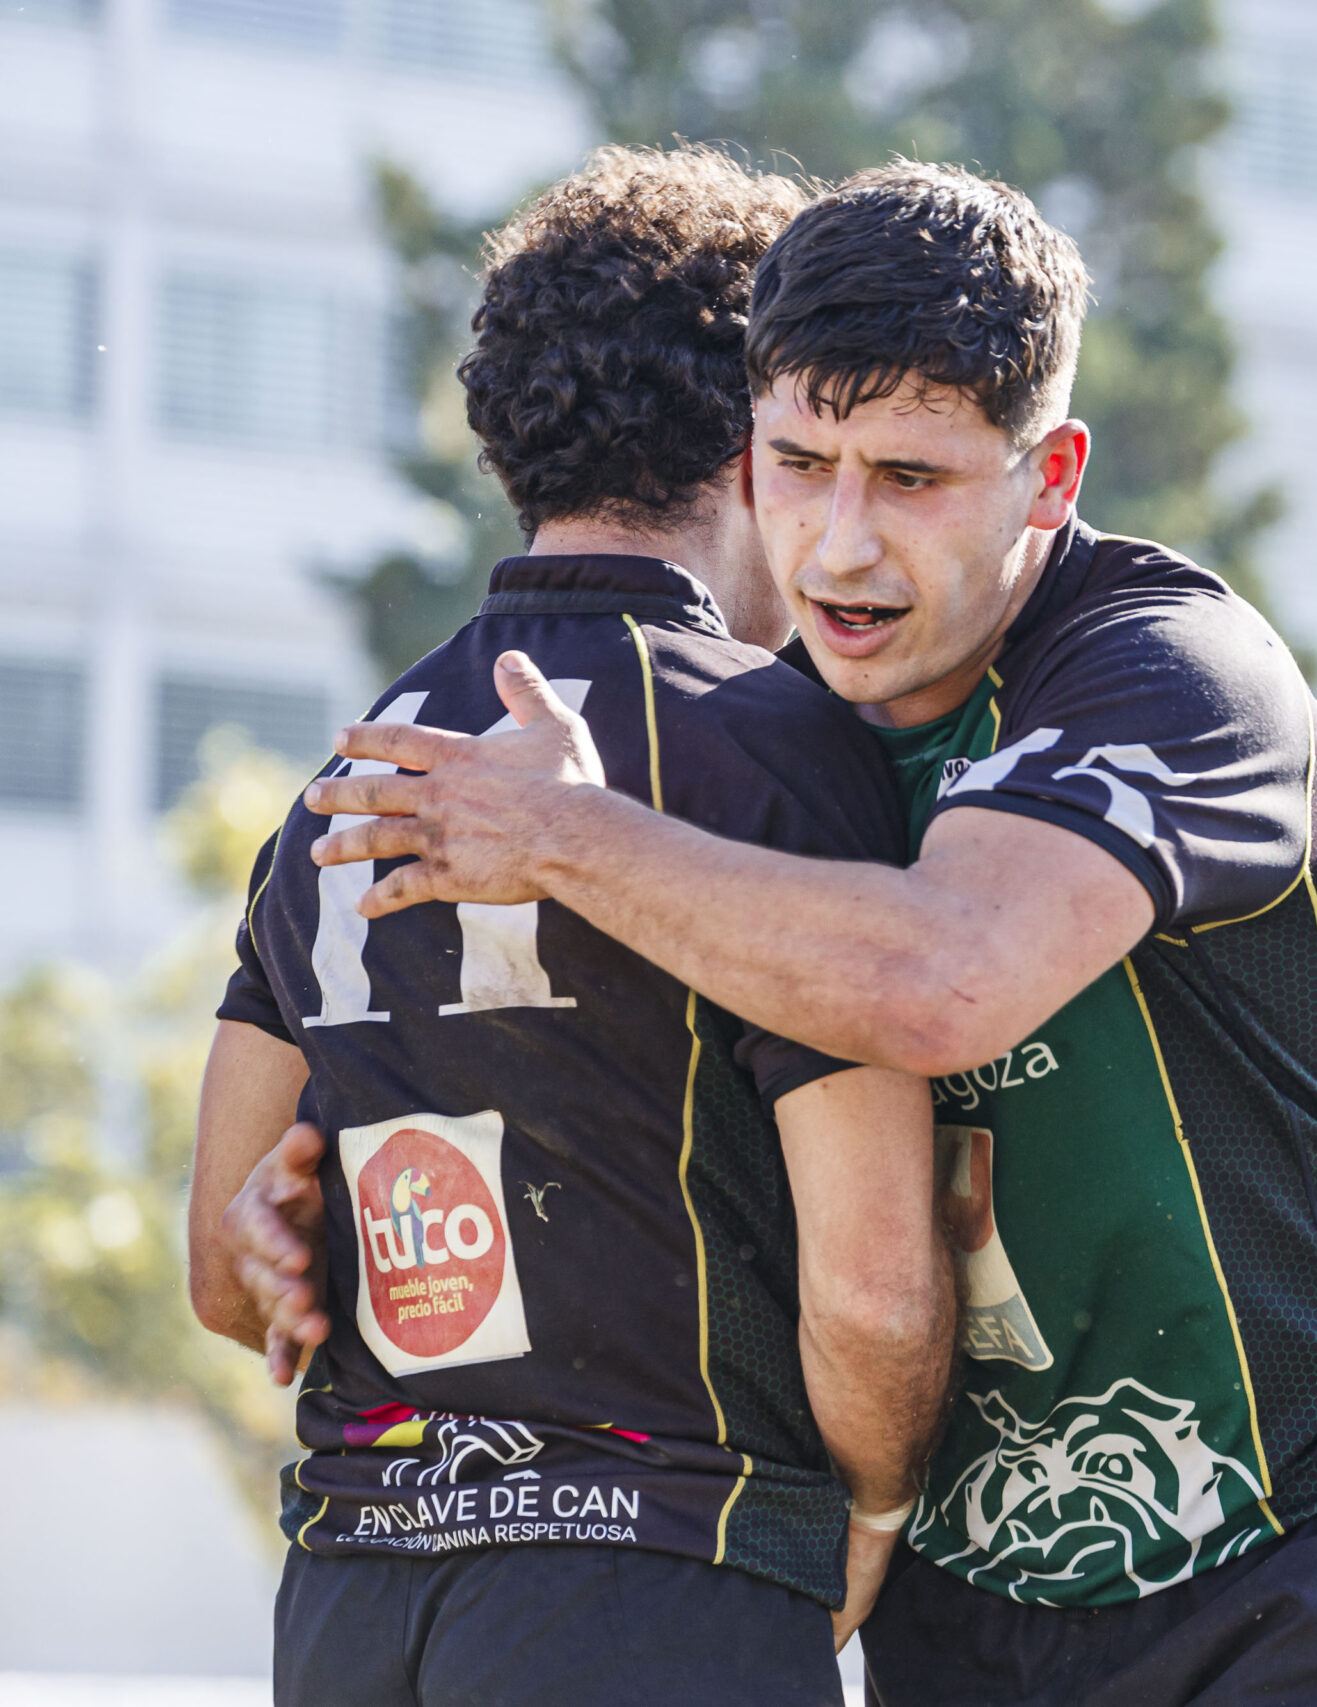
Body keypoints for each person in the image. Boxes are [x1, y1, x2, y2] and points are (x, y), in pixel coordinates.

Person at [234, 160, 1317, 1705]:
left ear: (1051, 474)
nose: (838, 544)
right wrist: (309, 1209)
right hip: (963, 1605)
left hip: (1303, 1553)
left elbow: (942, 978)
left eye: (909, 477)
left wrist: (564, 834)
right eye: (798, 463)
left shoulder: (1172, 673)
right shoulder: (754, 747)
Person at [187, 147, 950, 1707]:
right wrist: (873, 1510)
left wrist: (306, 1230)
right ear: (758, 438)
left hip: (354, 1599)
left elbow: (222, 1265)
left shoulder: (350, 779)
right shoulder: (775, 752)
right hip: (656, 1587)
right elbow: (873, 1291)